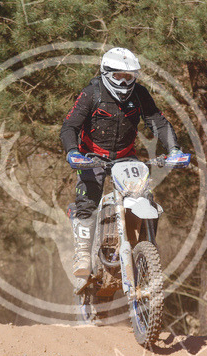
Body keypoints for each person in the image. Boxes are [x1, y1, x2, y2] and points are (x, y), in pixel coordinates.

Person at [60, 47, 190, 281]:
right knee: (88, 200)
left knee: (144, 196)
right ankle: (82, 253)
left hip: (125, 154)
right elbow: (70, 126)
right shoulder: (92, 93)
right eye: (118, 76)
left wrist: (174, 150)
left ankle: (145, 248)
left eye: (128, 76)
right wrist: (72, 152)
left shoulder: (139, 94)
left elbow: (158, 122)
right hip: (92, 155)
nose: (123, 81)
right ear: (106, 73)